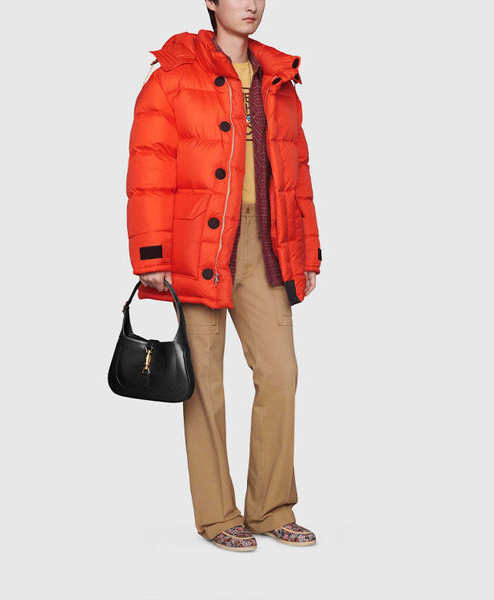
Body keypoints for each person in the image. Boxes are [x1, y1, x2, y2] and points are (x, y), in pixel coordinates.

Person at [125, 0, 322, 551]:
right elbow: (149, 164)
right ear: (211, 1)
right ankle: (217, 516)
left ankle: (271, 508)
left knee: (280, 373)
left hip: (265, 242)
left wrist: (307, 251)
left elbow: (299, 173)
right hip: (197, 243)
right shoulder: (172, 77)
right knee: (203, 382)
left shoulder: (279, 80)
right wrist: (152, 255)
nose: (251, 4)